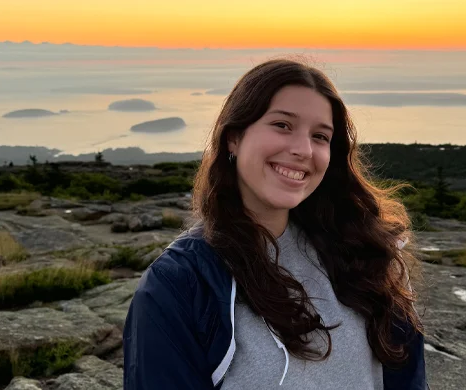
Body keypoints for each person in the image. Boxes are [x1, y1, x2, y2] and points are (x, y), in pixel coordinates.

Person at [123, 58, 429, 389]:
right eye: (282, 125)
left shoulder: (366, 255)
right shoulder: (182, 284)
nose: (303, 150)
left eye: (320, 136)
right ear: (234, 137)